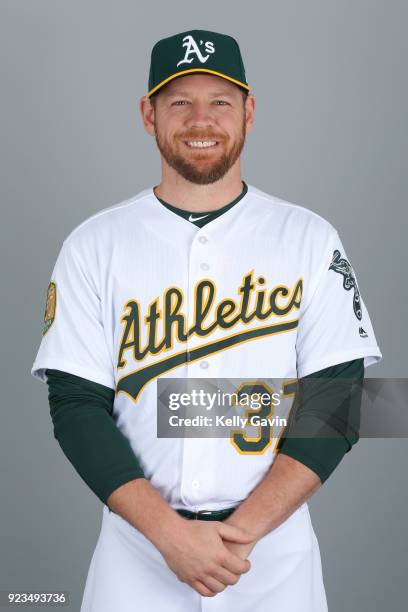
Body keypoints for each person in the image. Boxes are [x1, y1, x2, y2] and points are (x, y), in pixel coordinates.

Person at [31, 29, 382, 611]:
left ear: (248, 111)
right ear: (148, 114)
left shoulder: (309, 238)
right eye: (179, 102)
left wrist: (236, 538)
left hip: (272, 558)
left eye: (220, 101)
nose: (202, 120)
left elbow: (340, 400)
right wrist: (171, 536)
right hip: (138, 553)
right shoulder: (93, 244)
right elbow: (74, 405)